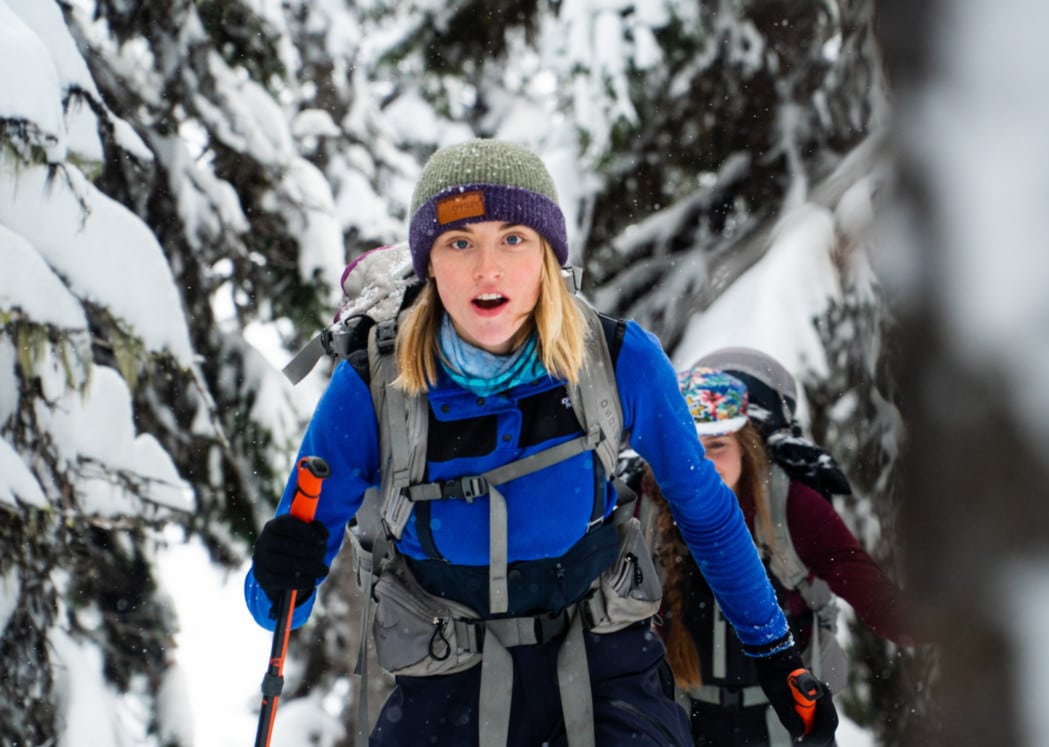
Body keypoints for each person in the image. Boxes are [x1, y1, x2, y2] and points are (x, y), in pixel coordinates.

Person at [244, 139, 838, 746]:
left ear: (548, 256)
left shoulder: (618, 362)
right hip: (445, 691)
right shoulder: (372, 389)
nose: (487, 268)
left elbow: (707, 515)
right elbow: (276, 607)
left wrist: (776, 657)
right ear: (429, 264)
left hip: (606, 675)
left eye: (513, 238)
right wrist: (279, 571)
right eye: (459, 242)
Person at [638, 360, 916, 747]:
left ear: (745, 445)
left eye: (718, 445)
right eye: (689, 448)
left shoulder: (791, 508)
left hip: (788, 721)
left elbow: (866, 586)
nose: (702, 466)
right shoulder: (647, 508)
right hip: (685, 719)